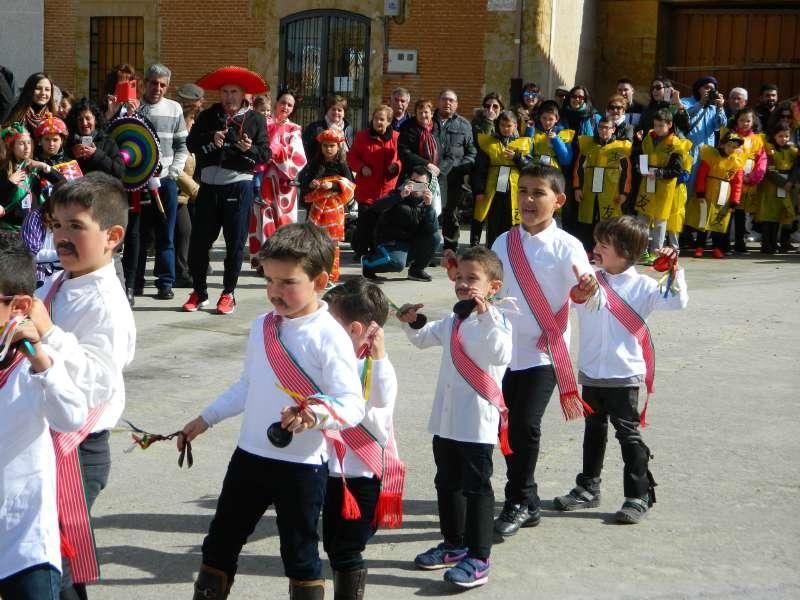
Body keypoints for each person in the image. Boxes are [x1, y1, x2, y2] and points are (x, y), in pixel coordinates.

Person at [178, 222, 366, 600]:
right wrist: (205, 418)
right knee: (220, 542)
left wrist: (315, 414)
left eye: (288, 283)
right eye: (270, 282)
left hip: (303, 465)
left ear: (321, 280)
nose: (276, 293)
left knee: (299, 553)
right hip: (249, 456)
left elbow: (351, 403)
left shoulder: (330, 336)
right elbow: (248, 385)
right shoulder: (262, 326)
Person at [29, 173, 136, 598]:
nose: (62, 236)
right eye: (56, 225)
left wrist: (48, 332)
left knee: (55, 557)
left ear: (112, 236)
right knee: (48, 554)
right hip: (45, 437)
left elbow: (97, 381)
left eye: (76, 226)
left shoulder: (108, 303)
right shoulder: (59, 281)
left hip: (78, 447)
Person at [553, 216, 688, 524]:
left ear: (627, 252)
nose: (596, 248)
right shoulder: (589, 280)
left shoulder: (643, 286)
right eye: (597, 242)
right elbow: (565, 301)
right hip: (590, 372)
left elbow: (676, 302)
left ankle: (638, 494)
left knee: (627, 435)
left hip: (623, 374)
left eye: (605, 244)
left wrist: (674, 272)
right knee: (593, 431)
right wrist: (577, 292)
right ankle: (587, 487)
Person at [490, 163, 598, 539]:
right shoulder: (503, 242)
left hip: (544, 351)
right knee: (504, 426)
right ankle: (528, 496)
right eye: (523, 192)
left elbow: (587, 296)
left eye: (539, 193)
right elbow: (492, 287)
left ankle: (518, 500)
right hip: (503, 350)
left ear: (559, 200)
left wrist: (586, 292)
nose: (529, 200)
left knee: (525, 425)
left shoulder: (569, 246)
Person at [399, 246, 511, 589]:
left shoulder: (500, 319)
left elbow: (500, 352)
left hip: (476, 422)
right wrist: (412, 321)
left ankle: (479, 557)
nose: (463, 284)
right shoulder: (453, 320)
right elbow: (422, 338)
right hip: (446, 420)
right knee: (446, 483)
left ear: (493, 285)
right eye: (459, 277)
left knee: (476, 488)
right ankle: (454, 544)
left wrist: (485, 314)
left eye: (472, 278)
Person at [0, 234, 87, 600]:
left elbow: (71, 416)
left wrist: (41, 361)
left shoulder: (35, 363)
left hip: (26, 539)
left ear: (19, 306)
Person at [321, 277, 404, 600]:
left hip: (362, 476)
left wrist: (380, 357)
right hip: (332, 472)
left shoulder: (375, 368)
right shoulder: (334, 362)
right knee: (331, 544)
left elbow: (382, 401)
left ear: (354, 330)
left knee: (347, 550)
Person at [184, 66, 269, 314]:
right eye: (224, 91)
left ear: (243, 94)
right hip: (209, 186)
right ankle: (199, 291)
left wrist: (248, 149)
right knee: (199, 243)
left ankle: (228, 293)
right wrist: (212, 137)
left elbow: (265, 153)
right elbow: (191, 142)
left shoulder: (255, 119)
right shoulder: (209, 115)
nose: (228, 97)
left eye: (234, 92)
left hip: (239, 185)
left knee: (234, 243)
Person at [132, 64, 189, 300]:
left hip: (166, 182)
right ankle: (135, 283)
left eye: (163, 84)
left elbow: (181, 146)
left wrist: (173, 173)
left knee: (167, 236)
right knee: (141, 237)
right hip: (139, 183)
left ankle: (165, 283)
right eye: (154, 83)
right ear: (145, 83)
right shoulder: (136, 108)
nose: (158, 88)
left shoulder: (175, 109)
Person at [248, 88, 306, 267]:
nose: (286, 107)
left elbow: (298, 157)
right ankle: (265, 261)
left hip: (284, 184)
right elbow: (256, 146)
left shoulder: (294, 129)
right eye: (283, 103)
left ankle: (283, 260)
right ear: (276, 103)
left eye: (290, 105)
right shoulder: (263, 123)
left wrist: (275, 152)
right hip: (265, 178)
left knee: (284, 221)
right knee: (264, 217)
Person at [356, 165, 441, 282]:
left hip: (410, 241)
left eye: (420, 184)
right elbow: (377, 207)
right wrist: (399, 196)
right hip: (391, 241)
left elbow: (432, 230)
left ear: (428, 186)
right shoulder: (399, 193)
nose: (416, 187)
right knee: (397, 264)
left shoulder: (426, 202)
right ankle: (367, 263)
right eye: (413, 182)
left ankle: (416, 270)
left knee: (435, 237)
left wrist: (429, 207)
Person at [633, 109, 692, 260]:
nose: (658, 129)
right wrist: (640, 168)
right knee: (642, 219)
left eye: (661, 126)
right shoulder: (648, 139)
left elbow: (676, 170)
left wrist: (659, 173)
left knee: (660, 221)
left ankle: (656, 253)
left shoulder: (676, 144)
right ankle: (641, 250)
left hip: (664, 187)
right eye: (656, 125)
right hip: (647, 183)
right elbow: (642, 156)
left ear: (669, 124)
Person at [299, 128, 355, 282]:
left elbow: (350, 185)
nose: (328, 149)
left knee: (332, 242)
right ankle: (315, 273)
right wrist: (312, 184)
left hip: (334, 210)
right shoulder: (315, 163)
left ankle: (331, 275)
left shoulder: (343, 165)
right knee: (315, 240)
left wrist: (333, 186)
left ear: (338, 147)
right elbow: (304, 183)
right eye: (325, 146)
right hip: (316, 208)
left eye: (331, 146)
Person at [472, 110, 533, 248]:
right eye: (502, 125)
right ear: (497, 125)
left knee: (513, 221)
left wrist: (518, 158)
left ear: (515, 126)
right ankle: (492, 250)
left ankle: (513, 250)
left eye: (509, 125)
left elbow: (530, 167)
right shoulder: (489, 143)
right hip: (493, 191)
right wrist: (479, 190)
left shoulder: (523, 143)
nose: (505, 129)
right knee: (494, 221)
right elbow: (480, 168)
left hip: (515, 190)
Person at [573, 118, 633, 252]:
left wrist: (624, 193)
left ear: (613, 130)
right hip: (589, 192)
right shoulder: (588, 147)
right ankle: (588, 250)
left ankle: (609, 251)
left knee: (610, 223)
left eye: (607, 128)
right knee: (587, 222)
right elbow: (578, 170)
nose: (603, 130)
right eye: (601, 128)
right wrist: (577, 188)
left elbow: (627, 174)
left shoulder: (621, 148)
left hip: (611, 193)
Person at [688, 131, 746, 258]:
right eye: (730, 145)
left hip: (724, 194)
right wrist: (700, 190)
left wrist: (735, 200)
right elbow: (702, 174)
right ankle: (700, 246)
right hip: (708, 192)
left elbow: (738, 183)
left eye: (735, 147)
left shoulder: (737, 162)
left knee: (719, 221)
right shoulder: (710, 156)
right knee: (703, 220)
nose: (732, 149)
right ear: (722, 145)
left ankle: (717, 247)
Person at [0, 123, 64, 238]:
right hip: (8, 231)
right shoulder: (3, 171)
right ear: (12, 147)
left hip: (33, 229)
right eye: (21, 143)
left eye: (29, 142)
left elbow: (63, 183)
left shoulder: (34, 167)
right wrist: (10, 183)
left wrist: (44, 166)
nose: (27, 147)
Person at [173, 83, 206, 289]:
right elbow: (177, 166)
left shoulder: (199, 124)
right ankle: (180, 272)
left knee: (194, 231)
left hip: (195, 190)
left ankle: (190, 268)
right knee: (183, 231)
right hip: (180, 190)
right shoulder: (178, 128)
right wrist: (195, 190)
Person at [435, 90, 477, 252]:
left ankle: (450, 249)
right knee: (429, 212)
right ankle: (426, 250)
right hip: (432, 174)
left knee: (451, 213)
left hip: (454, 176)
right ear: (438, 102)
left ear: (457, 104)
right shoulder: (428, 121)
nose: (447, 103)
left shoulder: (464, 125)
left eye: (451, 100)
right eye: (444, 99)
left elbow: (471, 152)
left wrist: (462, 168)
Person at [722, 107, 767, 253]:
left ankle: (740, 242)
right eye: (742, 120)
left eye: (748, 120)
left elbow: (762, 160)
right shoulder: (731, 136)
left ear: (753, 121)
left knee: (742, 214)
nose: (745, 123)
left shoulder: (758, 140)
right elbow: (723, 155)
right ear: (737, 120)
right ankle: (724, 242)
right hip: (731, 181)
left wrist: (753, 177)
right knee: (728, 212)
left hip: (748, 184)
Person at [398, 98, 451, 218]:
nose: (423, 115)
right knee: (417, 209)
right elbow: (405, 152)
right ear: (415, 114)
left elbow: (449, 154)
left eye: (426, 112)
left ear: (431, 113)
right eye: (420, 112)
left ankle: (434, 235)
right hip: (416, 178)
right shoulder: (408, 128)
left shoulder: (438, 128)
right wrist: (427, 165)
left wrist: (439, 170)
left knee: (435, 214)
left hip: (438, 179)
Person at [348, 105, 401, 209]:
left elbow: (403, 159)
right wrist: (361, 167)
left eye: (382, 119)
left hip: (387, 191)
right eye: (376, 118)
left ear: (389, 122)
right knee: (366, 224)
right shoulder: (362, 136)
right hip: (366, 192)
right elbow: (351, 157)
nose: (378, 122)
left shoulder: (397, 138)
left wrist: (396, 166)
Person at [681, 76, 727, 191]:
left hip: (707, 154)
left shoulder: (713, 107)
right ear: (698, 89)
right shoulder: (686, 102)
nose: (709, 91)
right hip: (690, 152)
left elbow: (721, 124)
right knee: (687, 188)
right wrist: (700, 103)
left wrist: (720, 107)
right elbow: (684, 116)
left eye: (712, 89)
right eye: (706, 88)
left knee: (702, 189)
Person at [758, 122, 797, 253]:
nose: (783, 139)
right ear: (774, 136)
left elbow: (797, 167)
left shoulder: (792, 151)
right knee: (769, 216)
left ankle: (776, 243)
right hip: (772, 186)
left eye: (786, 136)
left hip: (787, 185)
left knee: (782, 215)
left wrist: (790, 182)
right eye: (780, 136)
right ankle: (767, 244)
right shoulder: (770, 150)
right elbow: (770, 170)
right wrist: (783, 183)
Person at [64, 98, 124, 179]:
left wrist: (96, 154)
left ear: (95, 119)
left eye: (88, 118)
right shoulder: (70, 143)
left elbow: (119, 172)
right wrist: (72, 156)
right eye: (80, 119)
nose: (84, 123)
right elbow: (61, 171)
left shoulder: (108, 142)